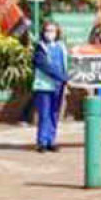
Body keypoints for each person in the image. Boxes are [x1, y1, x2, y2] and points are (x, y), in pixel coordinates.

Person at [32, 21, 68, 153]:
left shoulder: (61, 47)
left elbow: (66, 63)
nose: (50, 33)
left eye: (52, 31)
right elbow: (44, 66)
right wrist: (62, 77)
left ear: (57, 32)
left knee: (54, 114)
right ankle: (42, 142)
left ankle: (51, 141)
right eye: (47, 30)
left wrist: (67, 78)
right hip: (44, 86)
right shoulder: (40, 47)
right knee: (44, 114)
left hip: (58, 87)